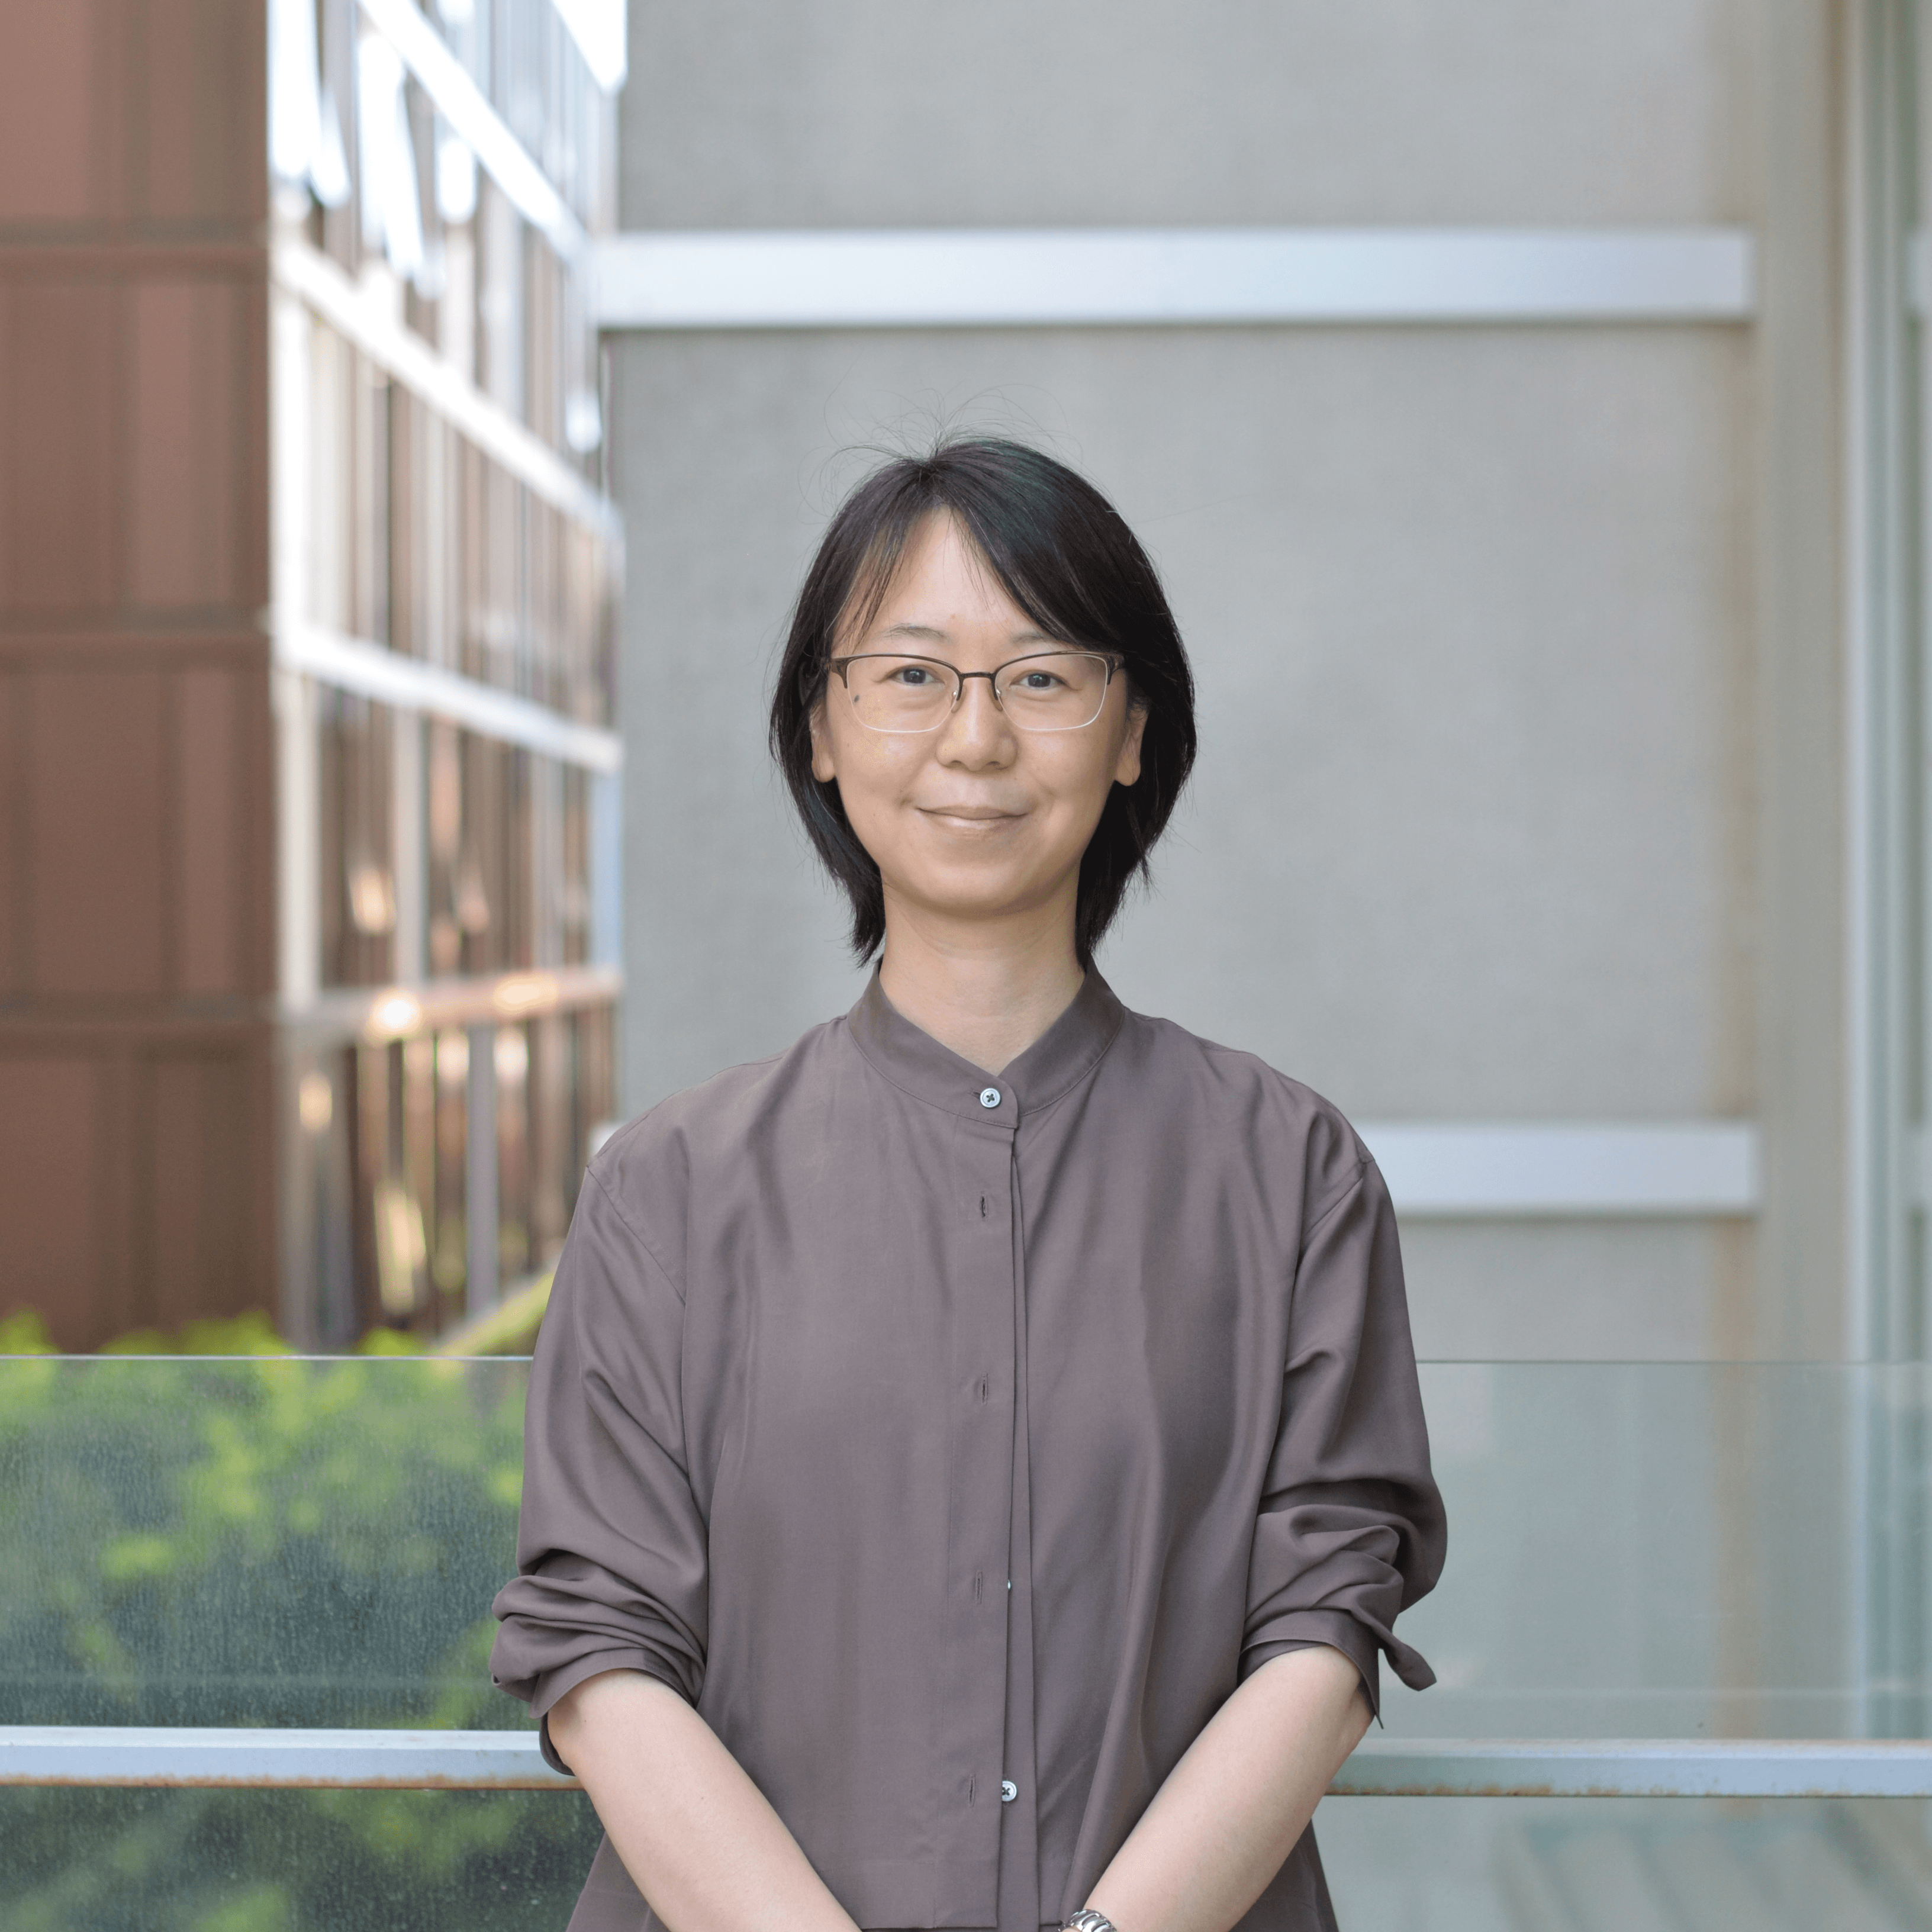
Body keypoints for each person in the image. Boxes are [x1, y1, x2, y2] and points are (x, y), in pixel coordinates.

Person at [491, 437, 1447, 1932]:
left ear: (1132, 730)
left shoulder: (1289, 1169)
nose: (977, 739)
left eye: (1044, 676)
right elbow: (600, 1656)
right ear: (821, 727)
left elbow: (1323, 1634)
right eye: (913, 675)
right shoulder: (665, 1194)